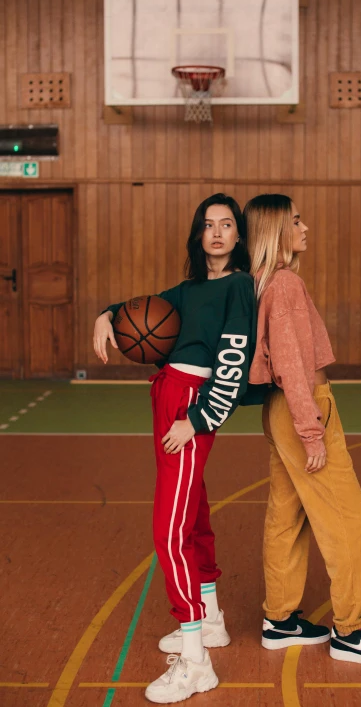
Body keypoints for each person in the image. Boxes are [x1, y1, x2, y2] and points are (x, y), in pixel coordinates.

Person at [93, 193, 257, 703]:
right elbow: (141, 309)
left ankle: (195, 661)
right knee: (194, 512)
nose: (216, 233)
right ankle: (209, 620)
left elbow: (232, 361)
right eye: (208, 225)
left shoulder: (239, 288)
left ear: (238, 235)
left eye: (226, 225)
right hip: (169, 396)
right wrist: (106, 314)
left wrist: (198, 418)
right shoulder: (189, 290)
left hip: (191, 404)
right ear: (197, 234)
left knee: (168, 530)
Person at [244, 194, 361, 667]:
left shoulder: (260, 282)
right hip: (303, 406)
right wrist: (312, 431)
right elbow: (293, 363)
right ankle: (351, 633)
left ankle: (280, 619)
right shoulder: (287, 284)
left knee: (286, 517)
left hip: (277, 409)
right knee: (351, 521)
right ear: (277, 230)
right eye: (296, 220)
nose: (305, 226)